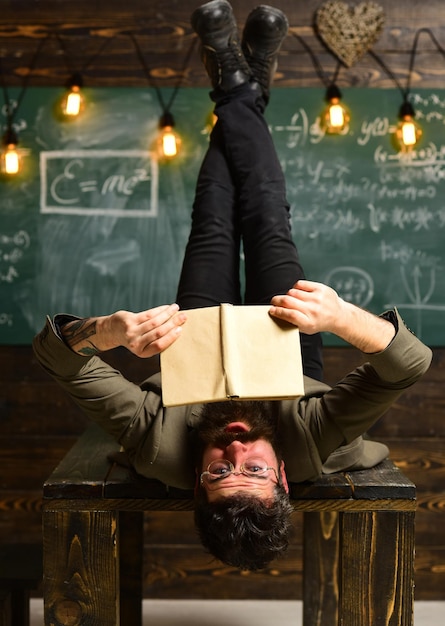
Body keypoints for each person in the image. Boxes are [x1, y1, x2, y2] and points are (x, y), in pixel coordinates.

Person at [33, 0, 432, 572]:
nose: (236, 450)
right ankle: (242, 85)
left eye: (220, 471)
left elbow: (58, 360)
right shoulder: (313, 443)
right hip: (291, 343)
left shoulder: (159, 447)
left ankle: (239, 85)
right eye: (255, 470)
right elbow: (409, 364)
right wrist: (341, 317)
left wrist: (103, 331)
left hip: (191, 342)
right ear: (284, 475)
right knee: (267, 217)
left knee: (214, 222)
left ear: (195, 482)